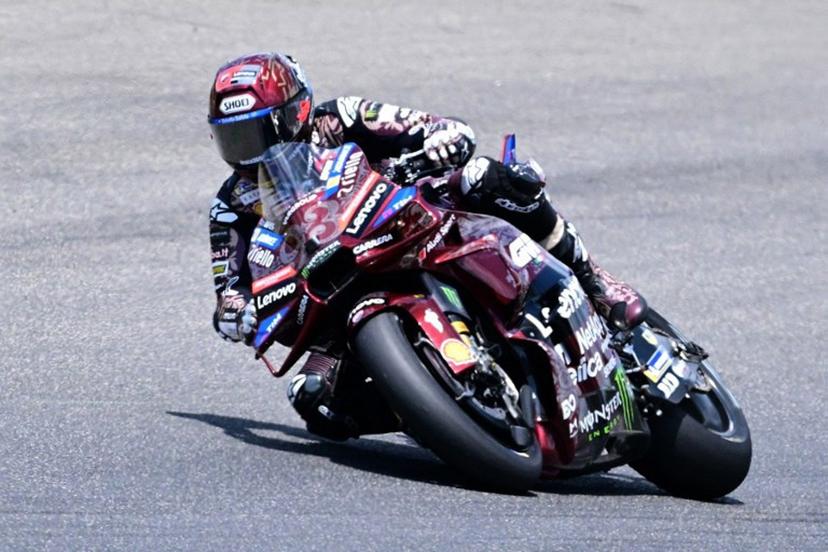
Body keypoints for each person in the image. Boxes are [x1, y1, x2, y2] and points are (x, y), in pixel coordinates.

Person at [208, 52, 647, 439]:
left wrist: (438, 145)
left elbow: (442, 129)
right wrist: (234, 311)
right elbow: (229, 286)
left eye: (254, 135)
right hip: (336, 283)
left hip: (411, 218)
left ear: (294, 112)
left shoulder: (341, 117)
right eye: (233, 140)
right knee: (315, 400)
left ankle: (595, 282)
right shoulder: (230, 205)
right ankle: (436, 413)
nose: (245, 154)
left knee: (487, 178)